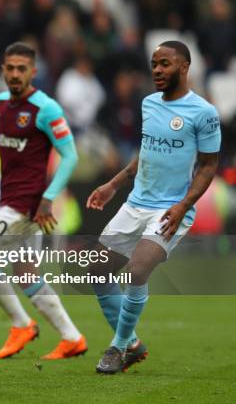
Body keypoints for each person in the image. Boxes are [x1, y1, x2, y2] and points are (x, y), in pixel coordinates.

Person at [87, 41, 221, 374]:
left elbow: (208, 166)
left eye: (165, 64)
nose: (157, 70)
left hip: (170, 210)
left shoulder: (203, 112)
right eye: (154, 64)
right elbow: (145, 154)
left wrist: (183, 205)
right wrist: (113, 185)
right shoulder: (148, 104)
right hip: (135, 204)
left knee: (135, 272)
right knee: (97, 270)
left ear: (185, 67)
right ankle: (132, 343)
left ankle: (117, 348)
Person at [0, 42, 87, 360]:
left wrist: (48, 198)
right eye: (10, 68)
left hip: (24, 204)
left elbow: (70, 156)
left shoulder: (46, 108)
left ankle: (21, 323)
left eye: (21, 69)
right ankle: (71, 337)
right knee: (26, 273)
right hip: (12, 199)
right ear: (3, 69)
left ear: (33, 72)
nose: (15, 74)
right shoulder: (0, 102)